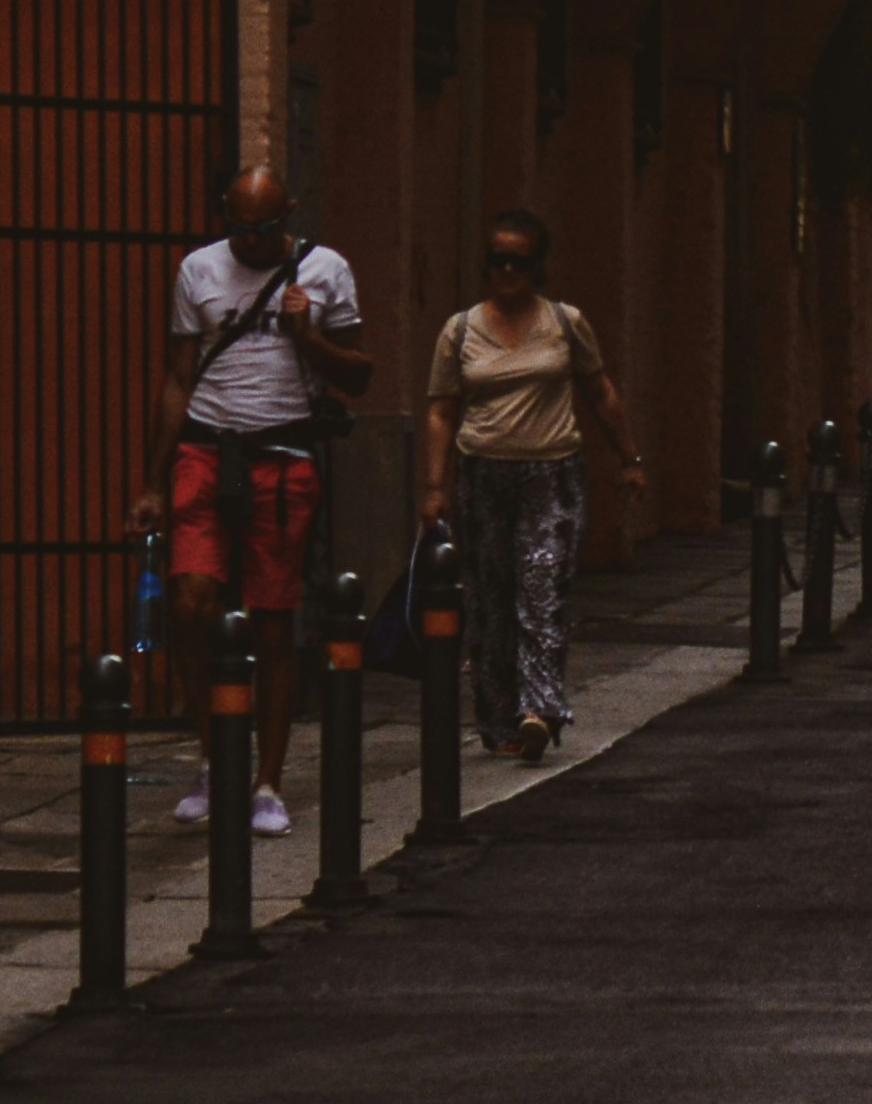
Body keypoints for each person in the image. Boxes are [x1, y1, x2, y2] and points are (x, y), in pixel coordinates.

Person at [143, 160, 369, 835]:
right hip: (206, 450)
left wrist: (309, 337)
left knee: (273, 624)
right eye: (239, 227)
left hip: (283, 455)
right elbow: (178, 377)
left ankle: (268, 782)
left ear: (289, 214)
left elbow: (360, 374)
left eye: (265, 227)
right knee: (190, 602)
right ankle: (214, 762)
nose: (250, 240)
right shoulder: (198, 270)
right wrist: (152, 481)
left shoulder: (327, 270)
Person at [416, 207, 642, 763]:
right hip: (482, 473)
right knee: (491, 602)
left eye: (519, 262)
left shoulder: (565, 322)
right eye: (498, 261)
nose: (508, 271)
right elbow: (442, 410)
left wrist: (629, 457)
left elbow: (600, 390)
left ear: (538, 266)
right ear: (486, 265)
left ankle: (539, 709)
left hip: (553, 472)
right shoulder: (461, 329)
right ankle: (500, 722)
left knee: (542, 589)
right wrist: (435, 486)